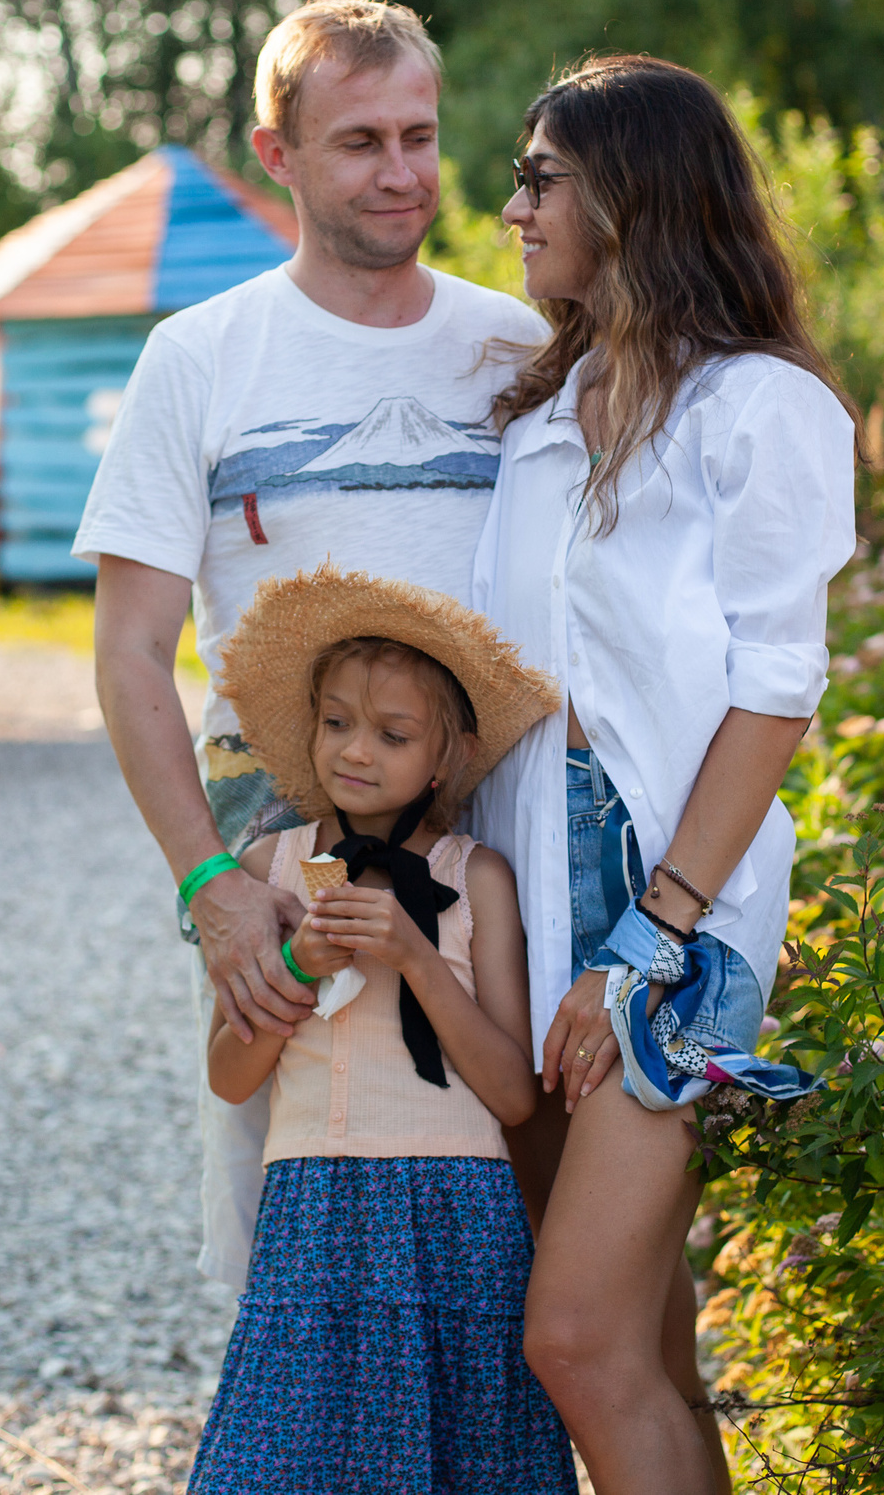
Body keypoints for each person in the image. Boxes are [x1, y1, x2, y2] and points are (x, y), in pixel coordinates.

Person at [78, 0, 546, 1285]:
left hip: (505, 844)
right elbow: (129, 656)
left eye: (421, 134)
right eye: (360, 142)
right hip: (289, 852)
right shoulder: (201, 357)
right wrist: (208, 883)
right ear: (275, 151)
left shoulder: (519, 345)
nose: (402, 172)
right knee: (289, 1219)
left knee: (525, 1214)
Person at [468, 55, 859, 1494]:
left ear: (631, 198)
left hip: (667, 897)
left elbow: (777, 686)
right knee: (642, 1341)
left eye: (542, 177)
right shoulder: (541, 413)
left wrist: (653, 932)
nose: (513, 208)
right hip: (526, 883)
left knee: (570, 1337)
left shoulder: (757, 409)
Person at [187, 565, 573, 1495]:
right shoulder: (268, 870)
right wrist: (292, 967)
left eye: (393, 734)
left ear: (444, 757)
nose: (356, 751)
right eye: (336, 723)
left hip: (457, 1209)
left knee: (460, 1462)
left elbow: (515, 1093)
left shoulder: (475, 878)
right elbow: (231, 1076)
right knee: (282, 1460)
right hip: (313, 1205)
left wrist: (415, 955)